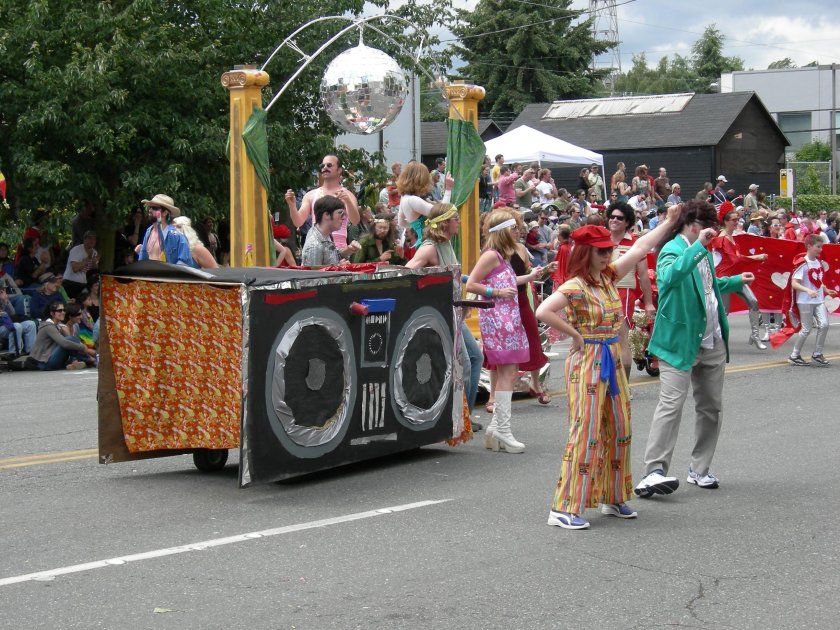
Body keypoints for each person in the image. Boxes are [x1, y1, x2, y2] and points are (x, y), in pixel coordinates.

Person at [536, 205, 681, 530]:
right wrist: (574, 335)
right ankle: (563, 507)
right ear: (587, 253)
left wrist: (670, 222)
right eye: (601, 252)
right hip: (587, 360)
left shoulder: (608, 277)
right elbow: (543, 310)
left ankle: (611, 497)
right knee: (585, 432)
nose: (607, 255)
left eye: (608, 251)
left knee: (618, 428)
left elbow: (643, 247)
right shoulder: (576, 286)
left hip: (611, 359)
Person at [634, 200, 755, 498]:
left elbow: (707, 286)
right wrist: (699, 247)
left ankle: (699, 468)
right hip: (679, 342)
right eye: (706, 227)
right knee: (671, 405)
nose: (711, 234)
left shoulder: (704, 250)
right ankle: (654, 471)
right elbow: (669, 277)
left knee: (711, 407)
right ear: (692, 225)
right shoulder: (673, 249)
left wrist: (735, 281)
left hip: (711, 339)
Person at [406, 203, 483, 430]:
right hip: (443, 313)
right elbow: (407, 272)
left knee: (476, 358)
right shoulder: (429, 248)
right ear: (445, 222)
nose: (458, 222)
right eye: (456, 219)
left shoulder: (446, 244)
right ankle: (460, 417)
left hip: (454, 310)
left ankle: (464, 414)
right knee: (467, 364)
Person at [466, 211, 532, 454]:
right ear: (503, 231)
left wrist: (532, 276)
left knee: (510, 371)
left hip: (509, 318)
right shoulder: (491, 255)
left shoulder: (503, 256)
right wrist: (496, 293)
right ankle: (502, 429)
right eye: (513, 228)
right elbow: (471, 283)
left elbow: (508, 283)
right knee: (508, 372)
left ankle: (497, 428)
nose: (518, 231)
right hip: (498, 319)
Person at [606, 202, 657, 382]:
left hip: (623, 292)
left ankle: (624, 384)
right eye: (612, 216)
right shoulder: (601, 239)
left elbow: (643, 275)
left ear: (627, 222)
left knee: (621, 337)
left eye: (619, 218)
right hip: (599, 292)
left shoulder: (635, 244)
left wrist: (649, 302)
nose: (614, 220)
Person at [771, 235, 838, 366]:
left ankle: (817, 354)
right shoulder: (802, 263)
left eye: (821, 247)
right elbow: (794, 283)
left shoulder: (818, 262)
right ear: (809, 246)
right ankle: (794, 355)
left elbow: (817, 281)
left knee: (824, 325)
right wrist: (807, 290)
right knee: (806, 329)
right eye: (818, 247)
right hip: (805, 301)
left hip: (818, 300)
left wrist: (825, 290)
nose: (820, 250)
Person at [709, 206, 770, 348]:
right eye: (733, 220)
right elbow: (735, 259)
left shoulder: (731, 237)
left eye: (738, 219)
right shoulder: (721, 239)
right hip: (724, 278)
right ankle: (716, 340)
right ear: (725, 221)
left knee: (753, 302)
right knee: (723, 312)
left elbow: (735, 259)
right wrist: (756, 257)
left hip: (735, 277)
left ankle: (755, 336)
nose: (736, 222)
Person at [285, 154, 360, 251]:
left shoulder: (348, 195)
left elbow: (355, 221)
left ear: (339, 170)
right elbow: (298, 222)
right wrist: (292, 206)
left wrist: (348, 202)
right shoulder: (311, 195)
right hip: (316, 247)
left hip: (339, 250)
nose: (325, 168)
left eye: (329, 165)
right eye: (322, 166)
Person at [396, 161, 453, 242]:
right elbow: (443, 213)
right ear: (420, 180)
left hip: (422, 241)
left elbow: (401, 223)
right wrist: (448, 189)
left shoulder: (404, 197)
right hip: (428, 242)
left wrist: (417, 226)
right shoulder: (413, 200)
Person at [29, 301, 96, 370]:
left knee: (71, 340)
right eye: (59, 311)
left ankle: (78, 361)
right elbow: (64, 343)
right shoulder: (48, 326)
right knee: (69, 339)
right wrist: (82, 347)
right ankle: (86, 360)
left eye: (64, 310)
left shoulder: (59, 326)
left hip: (51, 358)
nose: (63, 312)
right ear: (52, 313)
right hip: (44, 363)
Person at [301, 196, 360, 266]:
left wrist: (349, 250)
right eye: (340, 213)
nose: (344, 218)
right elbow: (312, 275)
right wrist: (337, 268)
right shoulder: (314, 245)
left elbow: (331, 256)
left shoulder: (324, 235)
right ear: (326, 215)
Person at [137, 194, 194, 266]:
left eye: (154, 208)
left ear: (165, 213)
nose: (150, 210)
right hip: (150, 276)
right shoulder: (149, 231)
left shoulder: (177, 236)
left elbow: (185, 264)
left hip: (166, 277)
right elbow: (142, 260)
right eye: (150, 207)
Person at [0, 285, 36, 356]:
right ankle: (14, 353)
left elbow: (13, 313)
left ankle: (31, 353)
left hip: (7, 324)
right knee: (16, 326)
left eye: (3, 290)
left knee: (30, 324)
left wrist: (5, 301)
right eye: (1, 290)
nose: (2, 292)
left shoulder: (3, 299)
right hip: (2, 326)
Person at [63, 230, 99, 299]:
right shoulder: (76, 250)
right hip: (70, 283)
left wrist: (94, 263)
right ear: (84, 239)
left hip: (83, 284)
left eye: (94, 239)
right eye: (89, 238)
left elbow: (93, 272)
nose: (92, 241)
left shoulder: (95, 252)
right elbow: (75, 269)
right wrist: (88, 259)